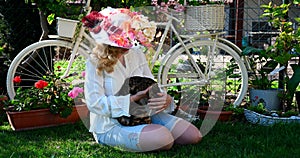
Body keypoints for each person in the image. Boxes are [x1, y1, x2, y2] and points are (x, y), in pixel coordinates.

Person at [83, 7, 202, 152]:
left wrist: (166, 100)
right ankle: (147, 133)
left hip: (145, 114)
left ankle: (150, 130)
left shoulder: (136, 53)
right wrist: (131, 100)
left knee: (193, 135)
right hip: (111, 124)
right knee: (164, 138)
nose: (130, 44)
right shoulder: (94, 62)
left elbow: (151, 83)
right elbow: (94, 103)